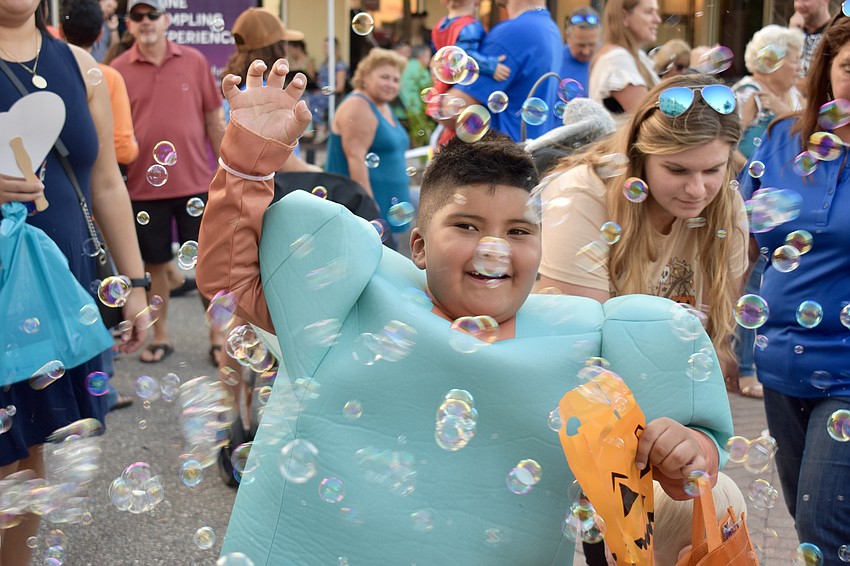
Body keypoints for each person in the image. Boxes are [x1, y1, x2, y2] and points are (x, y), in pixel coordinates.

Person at [196, 56, 733, 566]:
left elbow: (686, 470)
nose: (494, 248)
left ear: (541, 249)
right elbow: (231, 282)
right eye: (467, 226)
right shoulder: (352, 295)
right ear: (420, 246)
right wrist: (247, 163)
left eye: (518, 232)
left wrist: (686, 449)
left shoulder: (588, 340)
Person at [0, 0, 148, 562]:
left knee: (24, 450)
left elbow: (106, 182)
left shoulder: (81, 65)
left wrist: (133, 285)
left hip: (55, 295)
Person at [539, 74, 749, 372]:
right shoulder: (582, 194)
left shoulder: (727, 204)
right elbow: (580, 344)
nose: (697, 190)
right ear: (639, 156)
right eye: (677, 170)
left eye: (713, 169)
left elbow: (711, 341)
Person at [737, 10, 850, 560]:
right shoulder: (781, 140)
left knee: (821, 529)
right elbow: (744, 241)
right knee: (809, 518)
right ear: (827, 69)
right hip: (780, 359)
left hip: (848, 371)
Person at [111, 0, 225, 364]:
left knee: (208, 265)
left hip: (195, 183)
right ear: (129, 24)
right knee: (155, 266)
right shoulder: (116, 70)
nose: (146, 22)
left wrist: (227, 170)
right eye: (138, 16)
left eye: (152, 15)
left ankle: (218, 337)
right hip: (143, 189)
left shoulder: (193, 61)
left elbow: (212, 120)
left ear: (167, 20)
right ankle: (161, 337)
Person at [448, 0, 562, 143]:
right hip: (525, 155)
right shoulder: (551, 29)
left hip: (500, 159)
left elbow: (452, 110)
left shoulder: (514, 32)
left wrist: (442, 77)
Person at [325, 47, 410, 221]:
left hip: (391, 206)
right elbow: (355, 159)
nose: (391, 84)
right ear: (365, 77)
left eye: (396, 79)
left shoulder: (383, 105)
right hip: (366, 210)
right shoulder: (358, 106)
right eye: (384, 77)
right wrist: (368, 207)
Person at [60, 0, 138, 166]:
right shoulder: (109, 77)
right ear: (100, 34)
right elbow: (124, 150)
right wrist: (135, 148)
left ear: (60, 31)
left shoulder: (51, 74)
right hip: (102, 174)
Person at [732, 24, 804, 160]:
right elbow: (728, 146)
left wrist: (785, 112)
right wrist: (753, 176)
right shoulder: (747, 93)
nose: (800, 68)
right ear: (770, 62)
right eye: (795, 61)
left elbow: (811, 133)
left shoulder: (795, 95)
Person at [589, 0, 661, 123]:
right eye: (649, 12)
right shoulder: (617, 58)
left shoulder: (638, 56)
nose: (657, 20)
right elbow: (650, 119)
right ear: (624, 16)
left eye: (656, 12)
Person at [308, 36, 348, 143]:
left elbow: (340, 87)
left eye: (326, 47)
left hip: (332, 95)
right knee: (305, 97)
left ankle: (321, 128)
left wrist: (324, 91)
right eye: (324, 47)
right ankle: (312, 128)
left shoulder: (339, 65)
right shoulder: (324, 64)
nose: (324, 50)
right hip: (321, 93)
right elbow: (320, 82)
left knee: (313, 99)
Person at [398, 43, 435, 147]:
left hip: (400, 111)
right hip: (415, 112)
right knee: (419, 142)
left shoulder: (405, 65)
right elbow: (429, 89)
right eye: (428, 56)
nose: (429, 60)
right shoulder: (420, 68)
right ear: (421, 56)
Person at [560, 6, 601, 96]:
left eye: (592, 45)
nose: (586, 51)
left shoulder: (607, 60)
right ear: (568, 37)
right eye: (581, 45)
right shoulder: (556, 62)